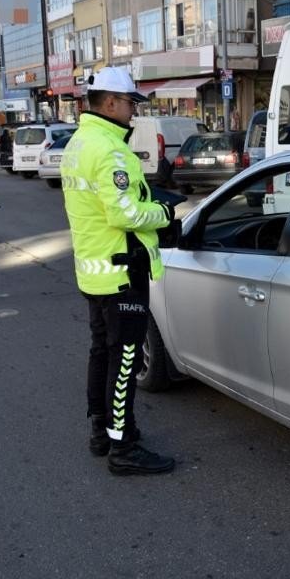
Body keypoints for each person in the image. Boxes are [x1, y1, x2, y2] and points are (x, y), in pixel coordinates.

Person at [60, 65, 177, 476]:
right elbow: (124, 211)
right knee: (124, 359)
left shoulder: (79, 142)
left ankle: (102, 431)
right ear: (110, 103)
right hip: (121, 274)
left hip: (95, 271)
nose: (134, 112)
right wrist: (163, 211)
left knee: (102, 353)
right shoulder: (108, 149)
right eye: (131, 104)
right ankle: (122, 447)